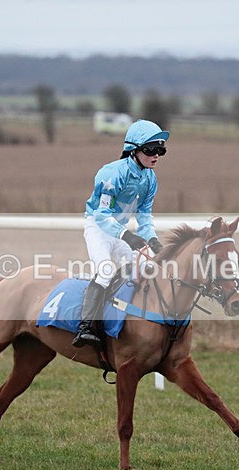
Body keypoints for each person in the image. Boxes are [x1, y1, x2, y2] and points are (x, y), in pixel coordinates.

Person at [72, 119, 168, 348]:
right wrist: (127, 236)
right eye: (151, 149)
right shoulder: (112, 173)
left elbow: (144, 216)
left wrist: (152, 238)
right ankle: (85, 326)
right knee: (105, 270)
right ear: (133, 150)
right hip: (98, 227)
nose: (157, 155)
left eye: (161, 150)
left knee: (143, 268)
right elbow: (102, 216)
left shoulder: (150, 178)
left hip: (121, 231)